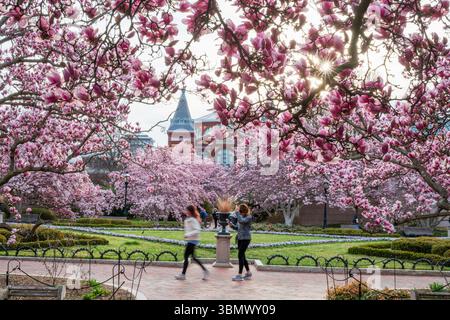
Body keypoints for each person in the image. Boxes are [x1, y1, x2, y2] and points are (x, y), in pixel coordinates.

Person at [175, 205, 209, 280]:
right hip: (191, 240)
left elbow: (197, 230)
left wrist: (188, 234)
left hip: (193, 240)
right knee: (193, 257)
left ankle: (183, 275)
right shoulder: (189, 219)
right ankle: (205, 270)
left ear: (190, 211)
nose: (185, 211)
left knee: (186, 256)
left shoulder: (193, 220)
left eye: (187, 210)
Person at [229, 204, 252, 281]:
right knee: (242, 256)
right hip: (240, 238)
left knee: (240, 255)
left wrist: (237, 213)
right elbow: (238, 228)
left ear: (243, 211)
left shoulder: (248, 217)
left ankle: (239, 275)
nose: (240, 213)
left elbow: (242, 221)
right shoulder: (241, 217)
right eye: (239, 211)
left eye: (240, 211)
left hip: (246, 239)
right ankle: (248, 273)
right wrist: (231, 225)